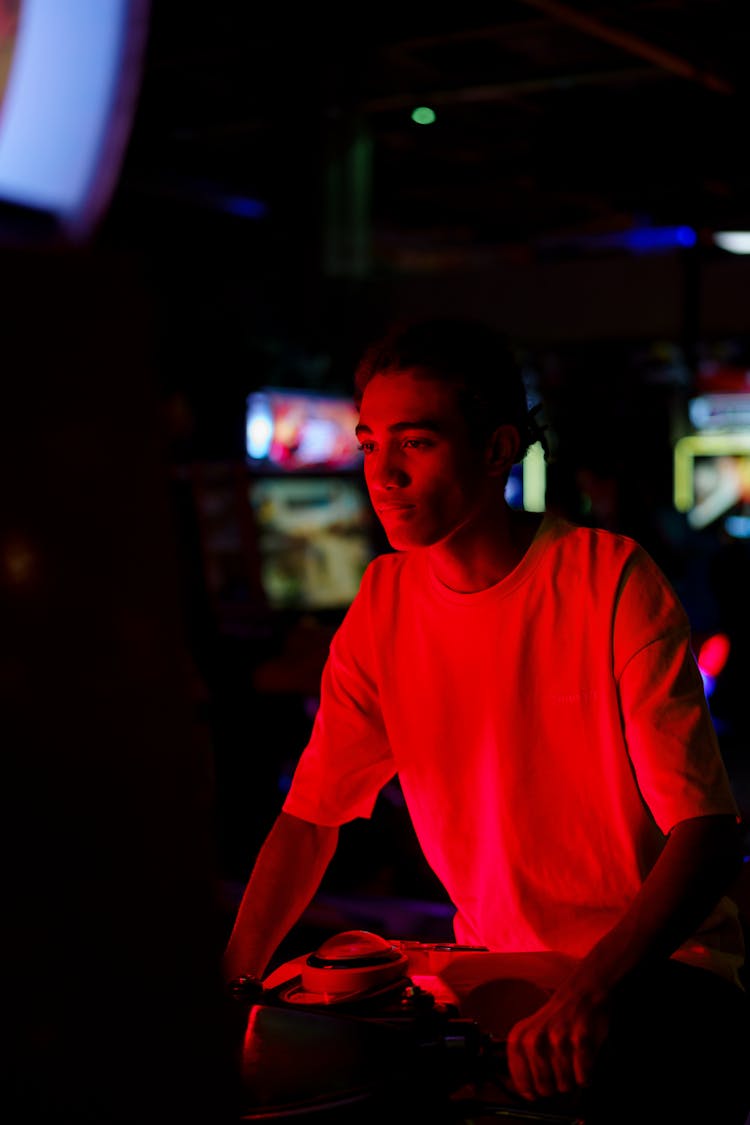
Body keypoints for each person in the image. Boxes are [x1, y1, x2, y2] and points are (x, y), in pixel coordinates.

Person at [224, 315, 750, 1123]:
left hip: (663, 970)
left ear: (500, 448)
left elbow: (708, 836)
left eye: (417, 442)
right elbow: (308, 820)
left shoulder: (607, 578)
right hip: (503, 978)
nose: (383, 473)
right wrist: (230, 989)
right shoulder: (381, 605)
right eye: (369, 444)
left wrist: (589, 988)